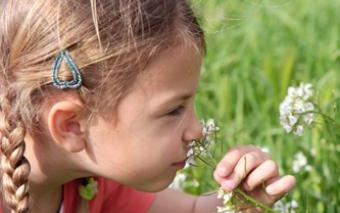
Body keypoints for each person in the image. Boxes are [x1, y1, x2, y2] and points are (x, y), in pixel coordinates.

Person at [0, 0, 296, 212]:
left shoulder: (89, 182)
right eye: (173, 110)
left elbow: (192, 209)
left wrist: (238, 201)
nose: (197, 130)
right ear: (72, 125)